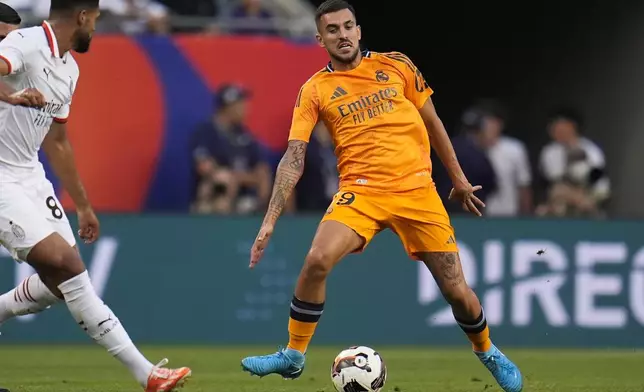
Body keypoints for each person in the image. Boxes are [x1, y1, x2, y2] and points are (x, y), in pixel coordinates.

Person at [240, 1, 523, 391]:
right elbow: (294, 155)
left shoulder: (397, 65)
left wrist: (457, 179)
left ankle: (488, 351)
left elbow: (433, 122)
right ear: (320, 39)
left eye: (348, 26)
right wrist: (269, 221)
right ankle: (293, 355)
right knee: (317, 259)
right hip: (361, 191)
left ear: (358, 29)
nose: (343, 35)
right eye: (333, 30)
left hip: (417, 191)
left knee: (457, 291)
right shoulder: (314, 90)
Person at [0, 1, 191, 391]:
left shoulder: (69, 69)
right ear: (84, 16)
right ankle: (147, 374)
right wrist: (13, 96)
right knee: (67, 265)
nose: (97, 28)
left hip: (31, 176)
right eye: (97, 20)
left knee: (59, 284)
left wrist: (83, 205)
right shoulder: (25, 41)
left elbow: (58, 141)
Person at [190, 84, 271, 215]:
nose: (246, 108)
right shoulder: (206, 132)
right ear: (228, 107)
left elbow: (261, 170)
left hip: (244, 199)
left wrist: (240, 178)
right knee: (222, 186)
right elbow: (205, 167)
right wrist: (242, 178)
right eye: (240, 104)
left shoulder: (245, 135)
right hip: (215, 197)